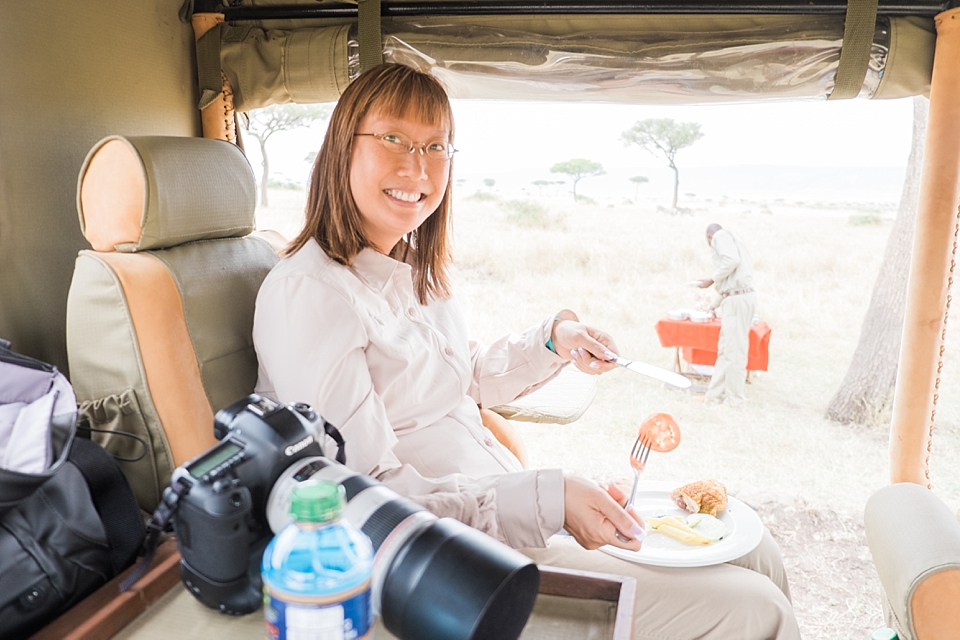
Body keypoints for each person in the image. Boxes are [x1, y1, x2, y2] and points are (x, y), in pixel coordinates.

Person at [253, 63, 799, 639]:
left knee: (756, 552)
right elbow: (370, 499)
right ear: (342, 148)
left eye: (437, 146)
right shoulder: (309, 295)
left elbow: (460, 378)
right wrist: (548, 499)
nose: (418, 166)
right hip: (452, 566)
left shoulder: (410, 270)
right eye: (393, 138)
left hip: (506, 518)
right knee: (757, 608)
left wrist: (552, 339)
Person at [698, 223, 757, 406]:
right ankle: (714, 395)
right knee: (725, 350)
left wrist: (712, 279)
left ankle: (735, 401)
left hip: (738, 301)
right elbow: (730, 286)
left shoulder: (720, 236)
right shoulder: (734, 239)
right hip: (736, 299)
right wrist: (714, 305)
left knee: (734, 353)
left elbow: (731, 261)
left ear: (709, 237)